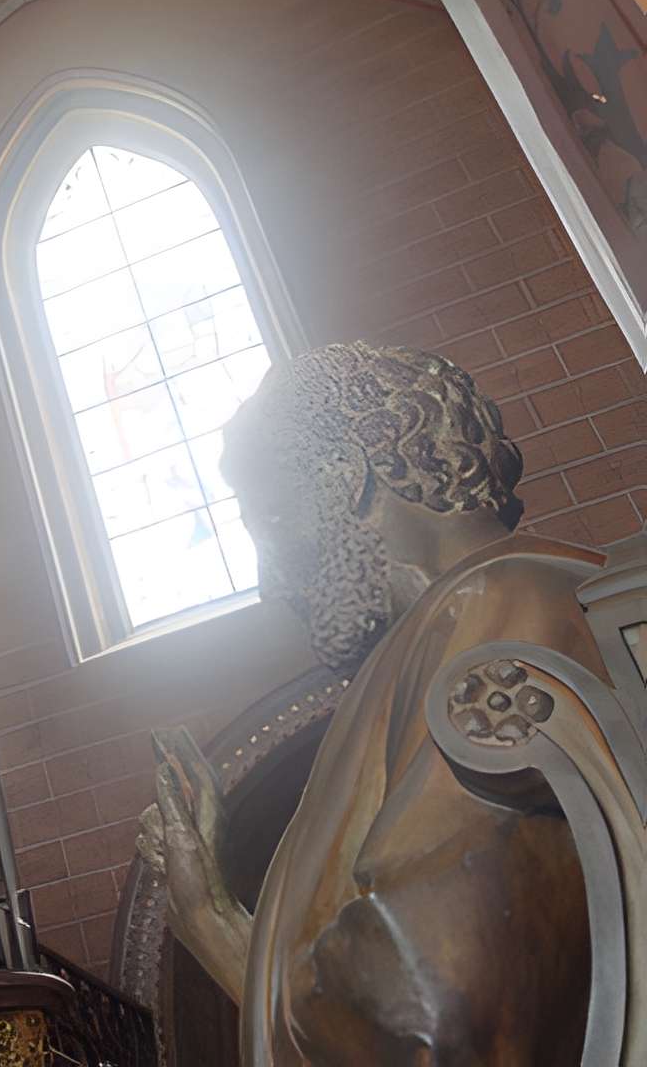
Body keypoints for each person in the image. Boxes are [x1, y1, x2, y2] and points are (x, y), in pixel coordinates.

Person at [138, 342, 611, 1064]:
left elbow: (431, 1008)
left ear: (349, 482)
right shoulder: (438, 638)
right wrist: (214, 919)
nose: (273, 587)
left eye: (268, 525)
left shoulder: (506, 607)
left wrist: (218, 929)